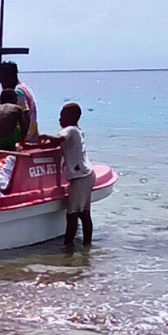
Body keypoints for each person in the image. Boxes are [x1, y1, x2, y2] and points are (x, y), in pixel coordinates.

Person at [58, 102, 94, 249]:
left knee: (72, 214)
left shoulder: (71, 130)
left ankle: (68, 247)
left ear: (72, 117)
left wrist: (42, 139)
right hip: (87, 174)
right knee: (84, 213)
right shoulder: (79, 130)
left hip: (80, 177)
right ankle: (87, 245)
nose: (59, 119)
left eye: (62, 116)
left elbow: (57, 139)